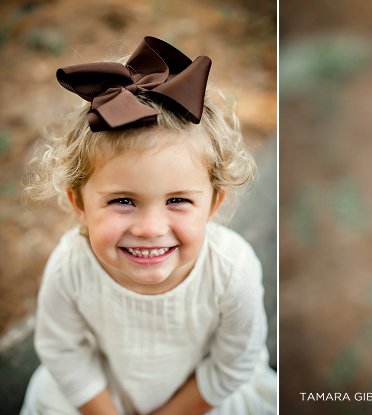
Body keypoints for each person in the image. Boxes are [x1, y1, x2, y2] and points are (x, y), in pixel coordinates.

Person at [20, 36, 275, 415]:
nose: (151, 228)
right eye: (123, 201)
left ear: (213, 204)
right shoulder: (71, 265)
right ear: (79, 204)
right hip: (101, 396)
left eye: (178, 200)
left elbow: (232, 364)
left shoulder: (231, 269)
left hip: (200, 400)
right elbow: (63, 351)